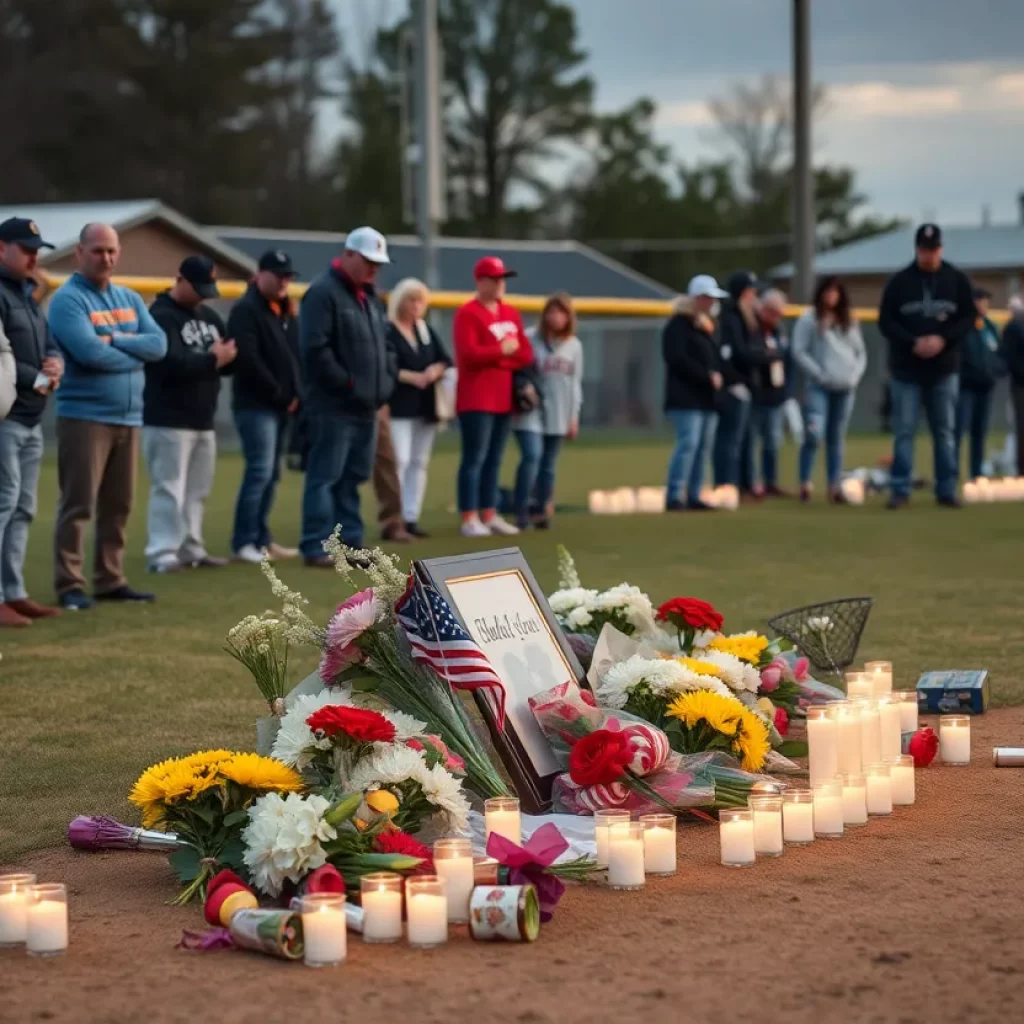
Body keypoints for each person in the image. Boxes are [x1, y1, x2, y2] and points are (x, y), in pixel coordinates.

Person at [48, 223, 167, 609]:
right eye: (98, 250)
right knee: (79, 504)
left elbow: (159, 345)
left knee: (119, 505)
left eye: (112, 250)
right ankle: (70, 584)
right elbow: (89, 354)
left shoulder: (128, 297)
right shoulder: (67, 301)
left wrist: (115, 340)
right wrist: (135, 355)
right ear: (80, 252)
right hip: (85, 417)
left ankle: (109, 579)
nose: (107, 258)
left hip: (128, 418)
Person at [299, 226, 396, 564]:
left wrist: (385, 382)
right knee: (326, 477)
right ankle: (317, 546)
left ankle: (350, 543)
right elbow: (315, 350)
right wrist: (349, 384)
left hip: (366, 405)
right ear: (348, 254)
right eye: (368, 261)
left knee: (353, 477)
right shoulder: (322, 293)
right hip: (333, 406)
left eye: (377, 263)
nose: (374, 269)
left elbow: (386, 345)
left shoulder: (370, 297)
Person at [143, 256, 237, 573]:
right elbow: (169, 363)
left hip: (202, 416)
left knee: (197, 490)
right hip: (167, 417)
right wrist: (212, 359)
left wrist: (228, 357)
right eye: (198, 288)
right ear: (180, 279)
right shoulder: (160, 315)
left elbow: (227, 359)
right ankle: (162, 552)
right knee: (168, 487)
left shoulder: (209, 316)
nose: (202, 297)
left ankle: (191, 548)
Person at [878, 224, 974, 509]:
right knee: (904, 431)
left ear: (940, 249)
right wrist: (912, 342)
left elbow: (968, 318)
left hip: (943, 369)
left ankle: (946, 489)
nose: (928, 255)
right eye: (924, 249)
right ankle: (900, 489)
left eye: (933, 249)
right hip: (906, 370)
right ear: (917, 249)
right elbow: (886, 321)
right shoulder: (900, 282)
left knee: (944, 431)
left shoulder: (956, 280)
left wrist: (943, 339)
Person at [0, 217, 63, 626]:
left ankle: (14, 592)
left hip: (30, 418)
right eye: (26, 248)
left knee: (22, 507)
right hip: (5, 417)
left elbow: (49, 343)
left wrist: (55, 364)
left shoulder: (27, 293)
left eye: (37, 249)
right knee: (3, 504)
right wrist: (39, 378)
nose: (34, 256)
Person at [227, 250, 302, 564]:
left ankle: (261, 538)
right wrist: (281, 393)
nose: (284, 281)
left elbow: (294, 356)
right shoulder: (246, 309)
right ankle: (243, 541)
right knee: (259, 471)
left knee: (271, 473)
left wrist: (295, 393)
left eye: (287, 276)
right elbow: (249, 360)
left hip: (281, 406)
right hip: (256, 405)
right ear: (260, 275)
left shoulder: (284, 310)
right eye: (278, 275)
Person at [453, 256, 533, 538]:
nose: (501, 284)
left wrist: (499, 357)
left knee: (495, 458)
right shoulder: (468, 313)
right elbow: (469, 355)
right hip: (476, 398)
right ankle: (469, 517)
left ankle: (489, 513)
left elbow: (524, 354)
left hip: (503, 397)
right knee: (474, 458)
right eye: (495, 278)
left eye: (503, 279)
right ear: (480, 281)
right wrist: (501, 351)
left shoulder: (511, 313)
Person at [386, 277, 451, 538]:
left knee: (419, 461)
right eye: (411, 300)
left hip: (426, 405)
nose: (416, 306)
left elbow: (444, 359)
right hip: (399, 404)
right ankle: (395, 516)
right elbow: (386, 366)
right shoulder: (389, 330)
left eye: (420, 301)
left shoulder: (425, 330)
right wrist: (412, 377)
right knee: (399, 460)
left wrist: (434, 371)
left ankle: (411, 515)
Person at [792, 275, 867, 503]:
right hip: (820, 386)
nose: (831, 296)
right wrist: (818, 374)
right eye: (828, 291)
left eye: (835, 292)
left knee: (836, 436)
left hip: (845, 387)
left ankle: (834, 485)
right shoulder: (809, 319)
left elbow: (860, 352)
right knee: (814, 434)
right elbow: (799, 351)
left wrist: (854, 377)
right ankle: (805, 481)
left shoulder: (848, 320)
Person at [512, 292, 583, 529]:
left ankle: (541, 510)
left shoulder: (573, 345)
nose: (556, 317)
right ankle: (521, 509)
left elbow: (575, 384)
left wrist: (573, 417)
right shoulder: (530, 338)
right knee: (532, 456)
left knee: (548, 464)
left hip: (559, 411)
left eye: (562, 313)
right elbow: (517, 369)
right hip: (530, 409)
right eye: (552, 312)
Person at [662, 275, 726, 511]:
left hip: (707, 398)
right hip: (685, 398)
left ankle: (695, 494)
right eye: (707, 298)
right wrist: (706, 376)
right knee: (688, 444)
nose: (712, 302)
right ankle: (675, 495)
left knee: (702, 449)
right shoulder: (678, 325)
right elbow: (677, 358)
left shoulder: (707, 326)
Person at [713, 270, 758, 492]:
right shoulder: (730, 317)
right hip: (734, 386)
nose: (754, 295)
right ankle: (727, 484)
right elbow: (735, 353)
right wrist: (763, 357)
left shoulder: (742, 315)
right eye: (751, 291)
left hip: (744, 385)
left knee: (744, 439)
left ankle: (744, 484)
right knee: (730, 440)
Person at [745, 288, 790, 498]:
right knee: (752, 440)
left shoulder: (779, 331)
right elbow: (753, 356)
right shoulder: (753, 329)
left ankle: (770, 481)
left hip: (775, 394)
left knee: (772, 441)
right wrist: (769, 355)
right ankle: (752, 482)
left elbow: (785, 358)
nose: (777, 317)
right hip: (757, 393)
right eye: (774, 312)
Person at [955, 287, 1003, 480]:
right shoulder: (962, 327)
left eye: (985, 301)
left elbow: (997, 353)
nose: (983, 304)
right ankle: (951, 472)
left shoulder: (990, 327)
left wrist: (995, 371)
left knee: (980, 433)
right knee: (958, 430)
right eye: (979, 300)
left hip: (985, 387)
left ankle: (977, 473)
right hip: (965, 387)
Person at [1002, 297, 1024, 476]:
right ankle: (1021, 468)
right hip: (1021, 384)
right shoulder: (1014, 327)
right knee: (1021, 426)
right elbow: (1011, 357)